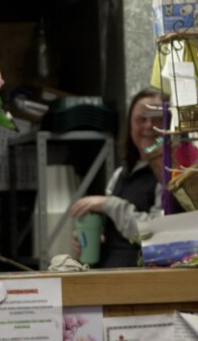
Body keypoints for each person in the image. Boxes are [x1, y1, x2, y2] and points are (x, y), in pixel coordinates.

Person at [69, 88, 169, 268]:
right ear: (130, 125)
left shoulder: (170, 176)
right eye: (141, 119)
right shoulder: (120, 175)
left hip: (144, 280)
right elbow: (109, 230)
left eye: (157, 118)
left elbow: (156, 234)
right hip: (110, 276)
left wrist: (109, 204)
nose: (148, 125)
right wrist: (90, 237)